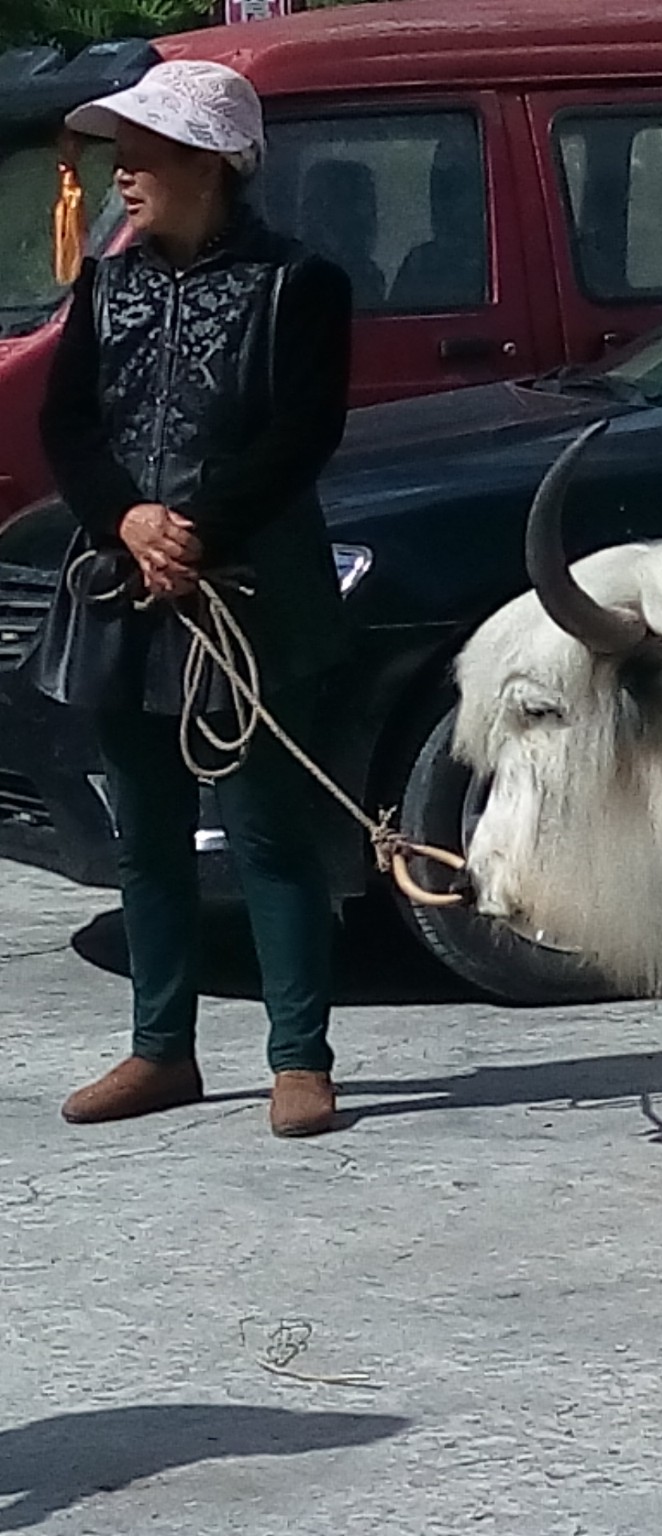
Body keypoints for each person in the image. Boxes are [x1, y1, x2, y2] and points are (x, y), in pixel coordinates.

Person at [32, 60, 354, 1137]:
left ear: (211, 166)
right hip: (127, 588)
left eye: (148, 156)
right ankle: (160, 1048)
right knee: (147, 834)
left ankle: (299, 1056)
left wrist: (198, 531)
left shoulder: (299, 285)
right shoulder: (108, 283)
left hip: (245, 594)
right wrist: (128, 519)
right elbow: (69, 424)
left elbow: (300, 434)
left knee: (268, 829)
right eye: (122, 155)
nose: (124, 175)